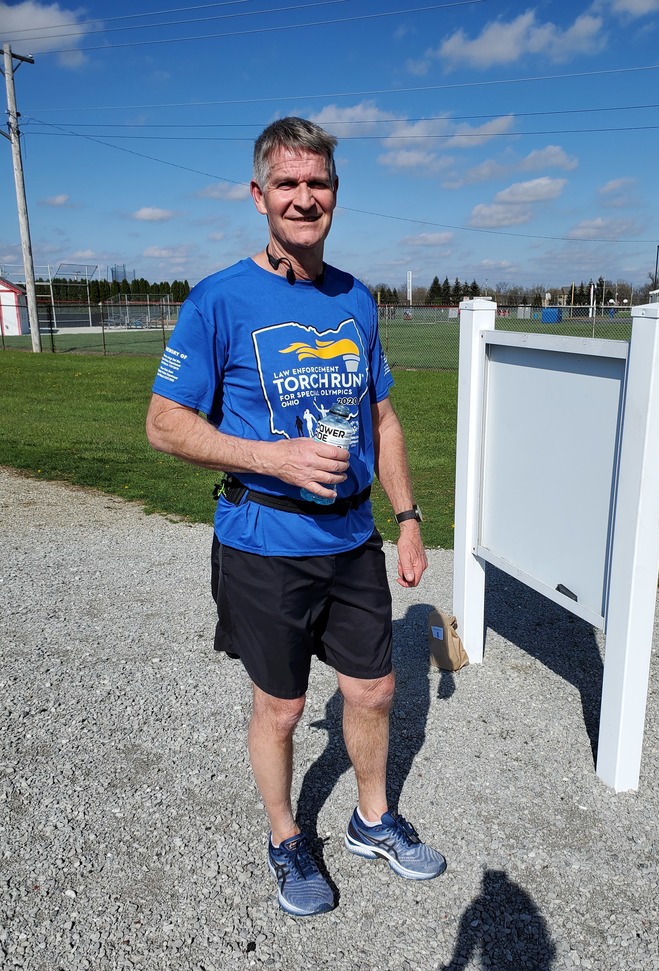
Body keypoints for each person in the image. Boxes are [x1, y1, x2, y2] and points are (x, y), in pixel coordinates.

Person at [146, 117, 445, 917]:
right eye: (288, 184)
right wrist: (274, 458)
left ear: (335, 196)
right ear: (260, 196)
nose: (304, 198)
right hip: (264, 542)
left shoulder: (356, 298)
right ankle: (286, 837)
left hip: (353, 538)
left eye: (318, 184)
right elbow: (163, 423)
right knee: (279, 706)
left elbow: (381, 419)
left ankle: (372, 820)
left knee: (376, 690)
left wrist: (409, 516)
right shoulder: (218, 298)